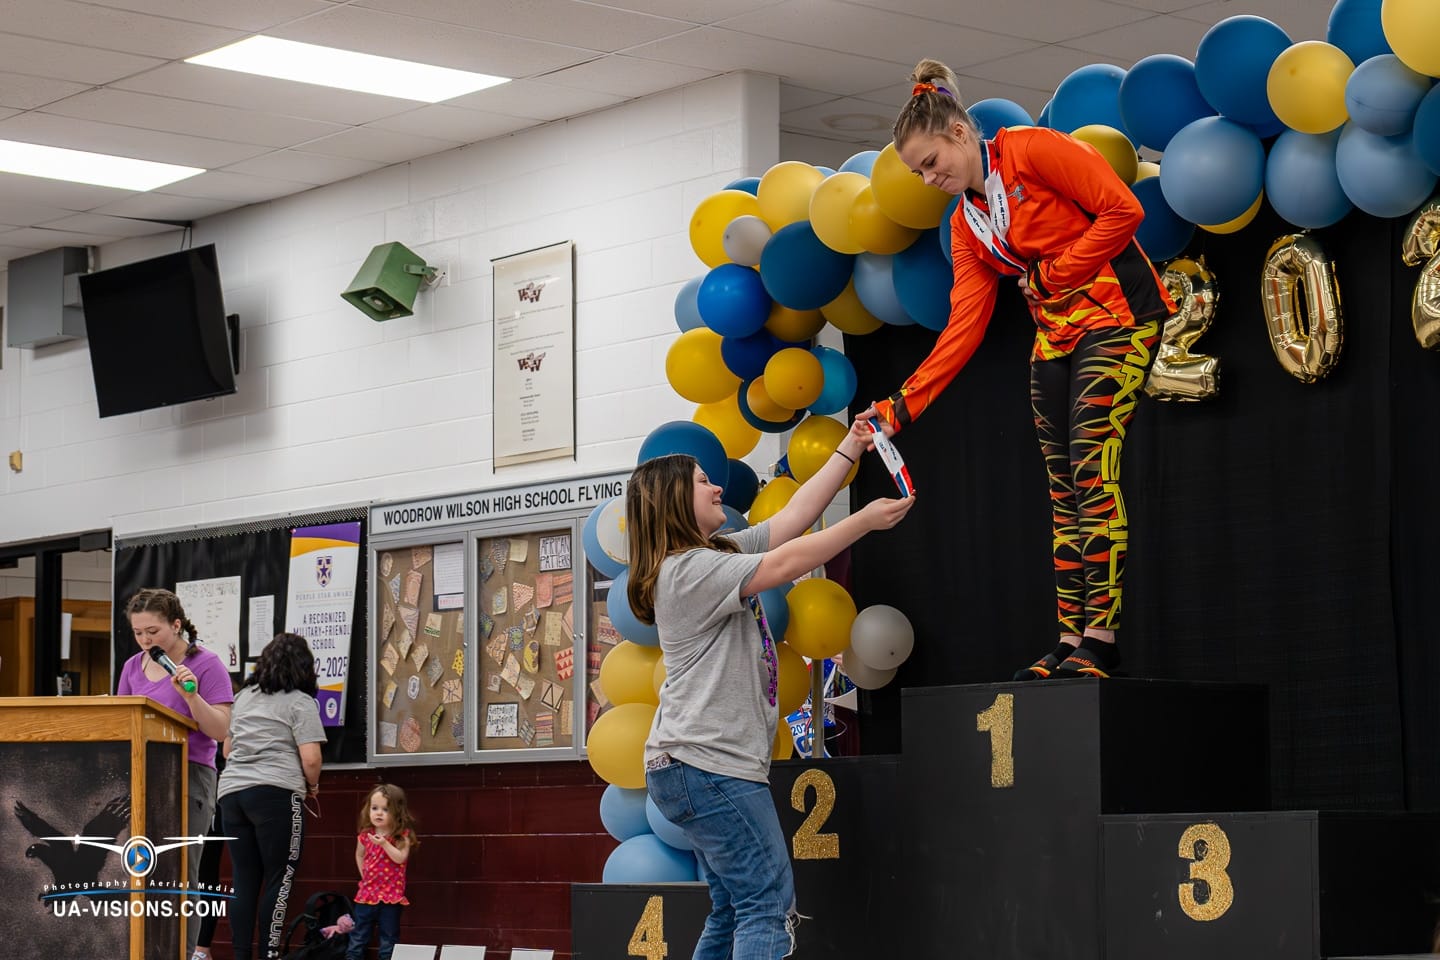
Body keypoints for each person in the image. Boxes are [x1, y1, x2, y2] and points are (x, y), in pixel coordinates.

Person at [859, 57, 1177, 681]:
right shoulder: (967, 224)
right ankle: (1069, 638)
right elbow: (964, 325)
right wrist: (902, 406)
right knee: (1062, 490)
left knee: (1091, 468)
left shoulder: (1033, 150)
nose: (929, 178)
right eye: (918, 172)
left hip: (1120, 316)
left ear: (959, 132)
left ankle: (1101, 639)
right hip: (1055, 337)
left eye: (931, 161)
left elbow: (1123, 211)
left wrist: (1058, 272)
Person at [631, 426, 914, 960]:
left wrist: (850, 447)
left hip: (690, 766)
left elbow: (792, 520)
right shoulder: (689, 570)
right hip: (709, 765)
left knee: (732, 909)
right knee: (766, 905)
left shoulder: (713, 555)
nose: (717, 488)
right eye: (702, 482)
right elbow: (786, 563)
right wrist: (864, 521)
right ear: (674, 501)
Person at [117, 588, 234, 959]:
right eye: (138, 633)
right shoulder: (132, 667)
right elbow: (125, 721)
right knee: (138, 868)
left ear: (176, 624)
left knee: (180, 871)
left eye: (153, 631)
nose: (145, 640)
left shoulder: (206, 664)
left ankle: (180, 952)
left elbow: (220, 730)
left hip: (189, 775)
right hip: (141, 776)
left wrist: (191, 696)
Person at [218, 633, 327, 960]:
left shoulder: (244, 697)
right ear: (304, 667)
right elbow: (311, 759)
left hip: (232, 794)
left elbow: (227, 750)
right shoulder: (300, 701)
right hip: (275, 792)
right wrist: (312, 786)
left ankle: (241, 955)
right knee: (280, 878)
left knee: (244, 879)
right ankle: (269, 954)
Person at [346, 783, 419, 960]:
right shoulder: (365, 835)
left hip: (390, 897)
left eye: (385, 809)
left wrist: (384, 843)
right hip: (366, 895)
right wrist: (364, 875)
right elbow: (359, 855)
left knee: (389, 938)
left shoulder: (401, 836)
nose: (378, 813)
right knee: (358, 936)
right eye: (374, 808)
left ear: (397, 812)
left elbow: (400, 858)